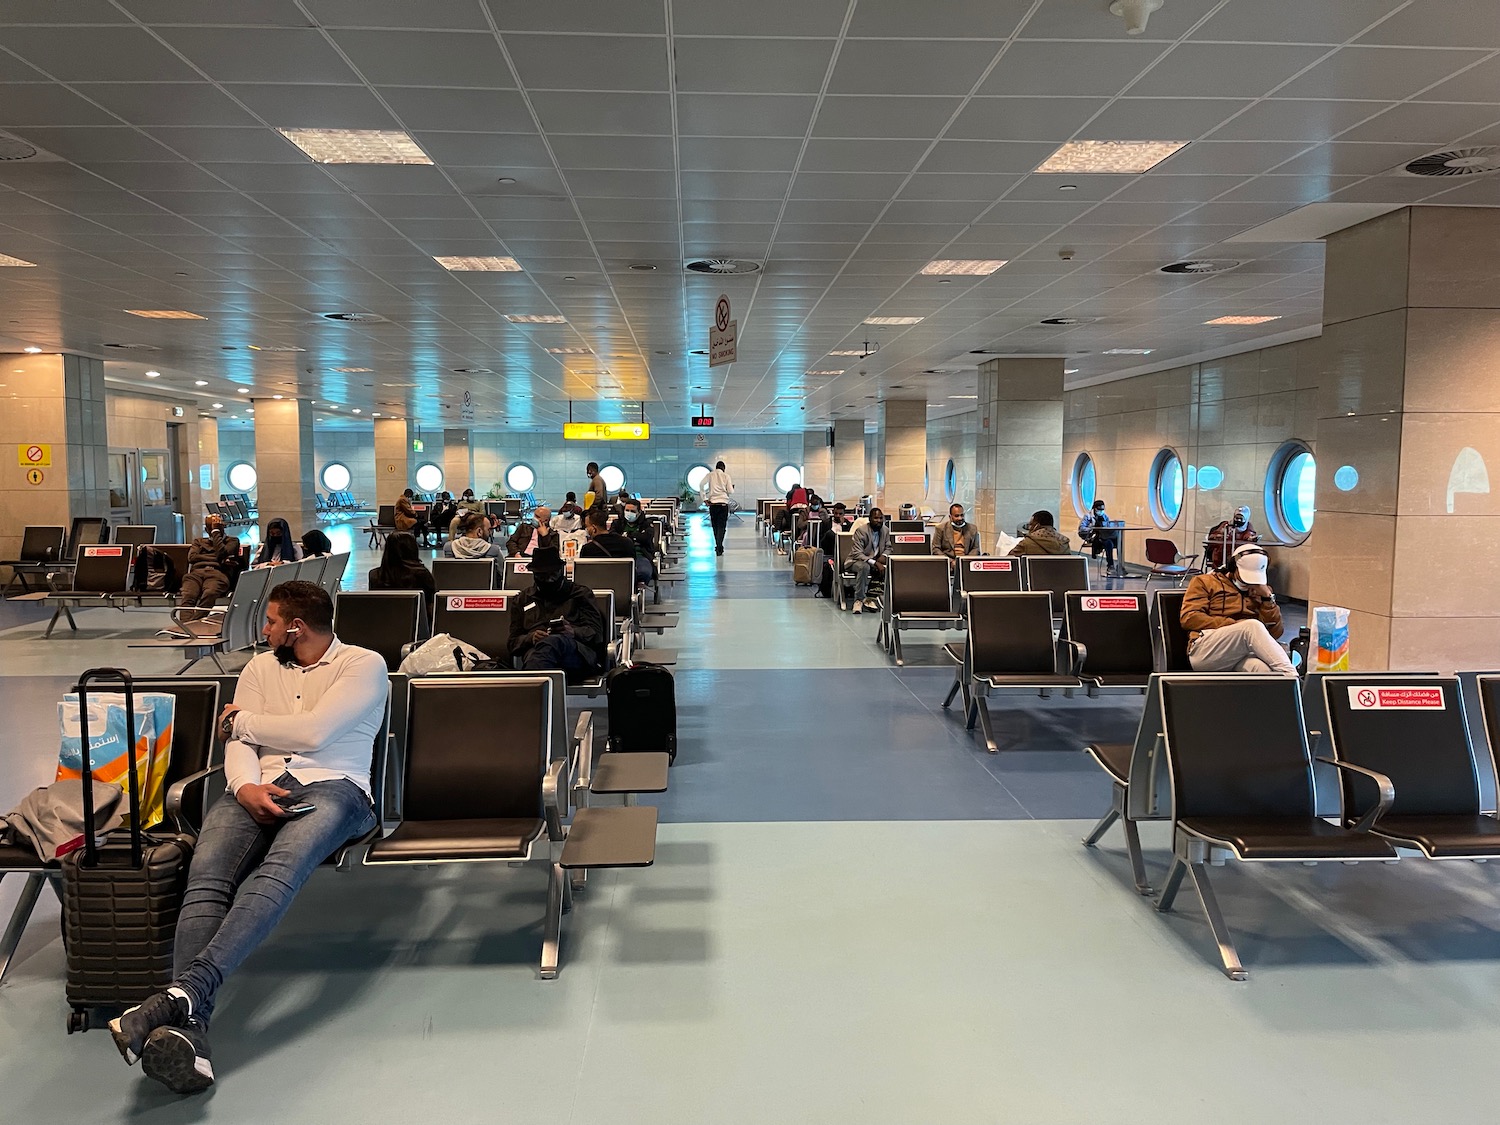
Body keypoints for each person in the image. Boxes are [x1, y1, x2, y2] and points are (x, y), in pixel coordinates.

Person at [107, 580, 387, 1095]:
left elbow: (316, 734)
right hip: (257, 786)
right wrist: (244, 785)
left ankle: (183, 993)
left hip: (338, 790)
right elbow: (239, 744)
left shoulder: (363, 665)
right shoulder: (260, 668)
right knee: (207, 877)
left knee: (276, 871)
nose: (264, 630)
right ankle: (187, 1025)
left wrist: (245, 721)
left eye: (272, 621)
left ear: (296, 627)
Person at [1180, 542, 1294, 674]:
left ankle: (1289, 691)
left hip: (1240, 653)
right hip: (1205, 649)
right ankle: (1292, 676)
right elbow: (1189, 618)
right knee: (1251, 626)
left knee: (1262, 670)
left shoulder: (1261, 591)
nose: (1249, 583)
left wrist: (1267, 599)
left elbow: (1275, 633)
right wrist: (1234, 625)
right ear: (1233, 567)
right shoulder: (1205, 582)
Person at [507, 545, 607, 681]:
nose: (549, 580)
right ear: (534, 575)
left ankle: (530, 691)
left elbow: (596, 634)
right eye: (542, 576)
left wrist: (572, 632)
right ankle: (535, 693)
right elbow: (513, 643)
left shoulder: (580, 594)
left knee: (554, 641)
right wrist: (531, 638)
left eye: (553, 574)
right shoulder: (522, 599)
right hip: (537, 652)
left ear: (561, 571)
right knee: (544, 649)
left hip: (576, 655)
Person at [176, 514, 241, 621]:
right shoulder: (198, 541)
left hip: (217, 574)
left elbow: (222, 553)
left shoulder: (232, 541)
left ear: (223, 527)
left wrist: (216, 533)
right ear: (206, 529)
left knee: (210, 593)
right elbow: (192, 558)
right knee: (189, 595)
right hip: (196, 574)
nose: (213, 529)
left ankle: (192, 624)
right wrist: (218, 559)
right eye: (211, 528)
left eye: (217, 527)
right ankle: (185, 626)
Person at [366, 531, 435, 616]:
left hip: (383, 624)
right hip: (415, 624)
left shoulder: (374, 575)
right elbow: (430, 606)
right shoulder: (422, 575)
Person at [580, 505, 650, 585]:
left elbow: (584, 573)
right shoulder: (627, 543)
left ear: (593, 528)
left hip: (597, 589)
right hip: (624, 587)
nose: (586, 530)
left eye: (587, 526)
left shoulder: (588, 549)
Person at [848, 506, 890, 614]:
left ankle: (871, 598)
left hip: (875, 561)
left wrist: (884, 556)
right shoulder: (861, 531)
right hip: (855, 561)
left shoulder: (885, 530)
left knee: (887, 567)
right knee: (864, 567)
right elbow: (857, 553)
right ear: (870, 519)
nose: (879, 521)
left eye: (881, 518)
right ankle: (859, 600)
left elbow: (889, 547)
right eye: (876, 518)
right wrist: (874, 562)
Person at [611, 497, 659, 585]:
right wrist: (635, 538)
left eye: (633, 511)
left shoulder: (646, 524)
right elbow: (612, 537)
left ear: (639, 513)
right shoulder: (617, 523)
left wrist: (627, 536)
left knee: (643, 572)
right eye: (627, 510)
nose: (629, 513)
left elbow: (646, 538)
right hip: (619, 555)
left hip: (640, 555)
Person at [1203, 505, 1259, 571]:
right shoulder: (1226, 525)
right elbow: (1213, 536)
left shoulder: (1248, 527)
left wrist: (1251, 539)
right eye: (1236, 518)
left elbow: (1250, 535)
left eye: (1241, 519)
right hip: (1221, 554)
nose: (1238, 520)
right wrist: (1222, 536)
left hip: (1239, 556)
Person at [815, 502, 851, 600]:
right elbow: (820, 541)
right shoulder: (826, 523)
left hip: (843, 554)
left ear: (844, 514)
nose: (838, 516)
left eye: (840, 514)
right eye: (836, 513)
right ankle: (826, 590)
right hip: (829, 552)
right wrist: (831, 532)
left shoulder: (848, 524)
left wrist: (843, 527)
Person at [1077, 499, 1119, 575]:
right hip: (1094, 537)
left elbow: (1107, 527)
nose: (1101, 511)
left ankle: (1120, 565)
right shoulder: (1088, 516)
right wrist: (1092, 528)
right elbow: (1081, 528)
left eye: (1102, 509)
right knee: (1108, 543)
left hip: (1104, 535)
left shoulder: (1105, 516)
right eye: (1099, 509)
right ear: (1095, 508)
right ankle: (1110, 565)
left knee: (1118, 542)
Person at [704, 460, 733, 556]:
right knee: (722, 526)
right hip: (723, 504)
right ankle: (719, 546)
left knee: (715, 526)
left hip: (713, 504)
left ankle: (718, 545)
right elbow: (730, 491)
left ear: (716, 467)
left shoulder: (710, 475)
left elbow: (701, 485)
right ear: (723, 468)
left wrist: (704, 498)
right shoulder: (726, 476)